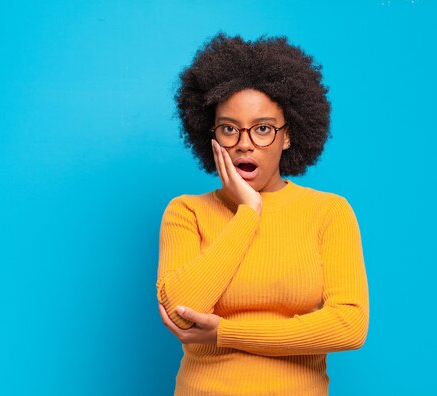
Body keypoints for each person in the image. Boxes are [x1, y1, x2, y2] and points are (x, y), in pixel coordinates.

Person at [156, 32, 370, 395]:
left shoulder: (328, 212)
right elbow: (180, 312)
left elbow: (349, 326)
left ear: (288, 135)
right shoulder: (186, 212)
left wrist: (225, 333)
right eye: (228, 128)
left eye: (263, 129)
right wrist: (248, 213)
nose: (244, 143)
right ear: (210, 136)